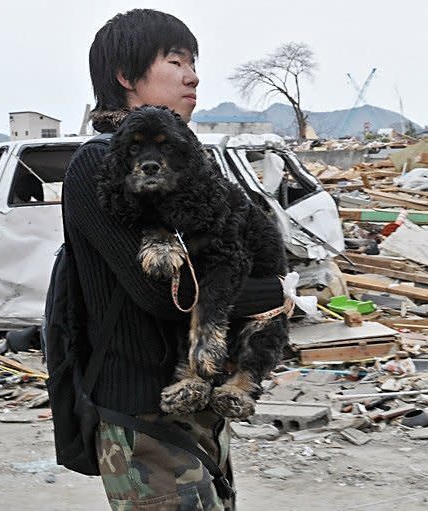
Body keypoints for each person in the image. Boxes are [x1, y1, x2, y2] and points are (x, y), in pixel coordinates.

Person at [62, 9, 284, 510]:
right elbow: (164, 294)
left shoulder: (187, 160)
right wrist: (277, 294)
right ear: (126, 76)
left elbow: (232, 251)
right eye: (176, 61)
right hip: (143, 416)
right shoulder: (102, 163)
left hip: (195, 408)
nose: (193, 75)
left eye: (193, 62)